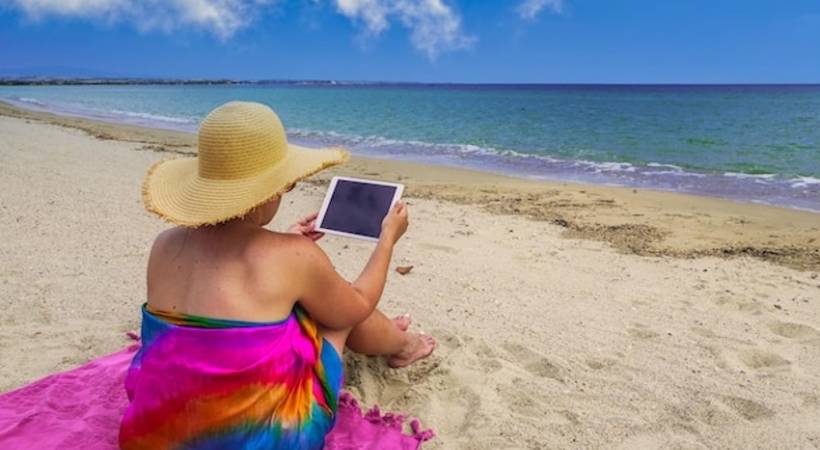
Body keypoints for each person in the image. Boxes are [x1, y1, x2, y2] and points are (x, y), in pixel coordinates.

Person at [119, 101, 436, 449]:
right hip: (258, 439)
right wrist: (387, 239)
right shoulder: (292, 257)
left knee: (307, 299)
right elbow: (356, 307)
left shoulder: (165, 244)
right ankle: (403, 346)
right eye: (287, 184)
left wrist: (283, 244)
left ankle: (396, 337)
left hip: (155, 432)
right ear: (270, 191)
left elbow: (225, 290)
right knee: (337, 310)